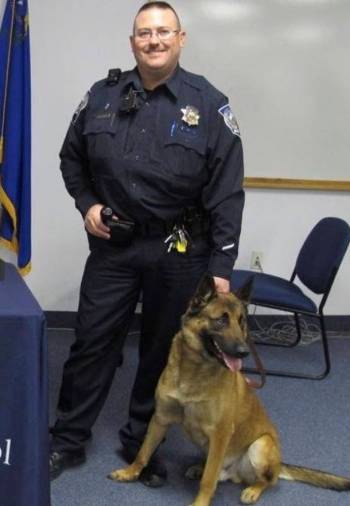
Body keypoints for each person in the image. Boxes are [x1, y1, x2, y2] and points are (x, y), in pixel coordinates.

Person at [50, 1, 245, 487]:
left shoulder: (210, 104)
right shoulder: (102, 96)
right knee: (91, 343)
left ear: (181, 39)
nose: (153, 40)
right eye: (144, 33)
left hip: (180, 252)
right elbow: (71, 159)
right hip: (115, 246)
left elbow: (227, 190)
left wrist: (222, 263)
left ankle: (143, 442)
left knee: (161, 350)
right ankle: (68, 440)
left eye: (163, 32)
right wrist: (88, 205)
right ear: (132, 41)